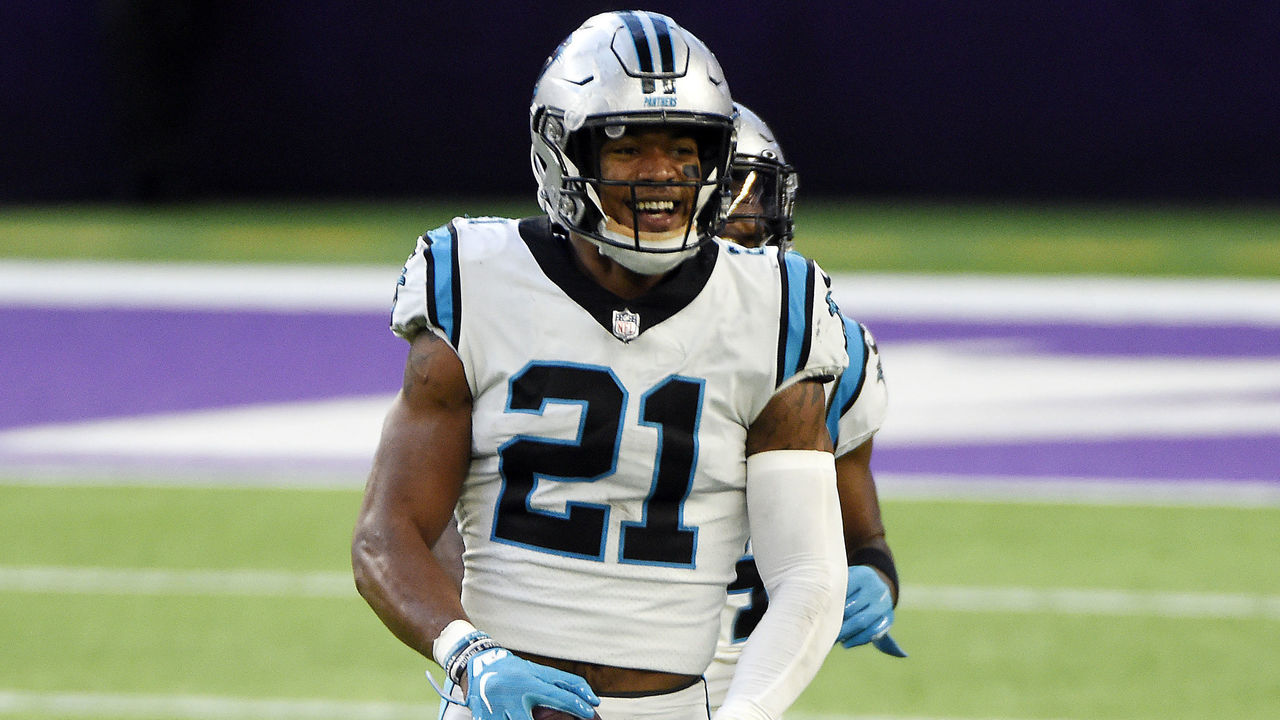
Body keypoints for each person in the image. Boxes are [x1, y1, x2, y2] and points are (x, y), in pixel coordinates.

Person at [351, 11, 849, 720]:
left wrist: (744, 715)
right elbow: (387, 533)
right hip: (502, 705)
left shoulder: (774, 304)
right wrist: (470, 656)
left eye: (686, 147)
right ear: (562, 152)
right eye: (626, 148)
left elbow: (806, 571)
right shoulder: (476, 280)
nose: (663, 175)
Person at [703, 104, 905, 710]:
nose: (745, 217)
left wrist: (875, 576)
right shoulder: (575, 333)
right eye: (724, 193)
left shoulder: (820, 346)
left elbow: (862, 535)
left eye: (755, 192)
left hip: (740, 692)